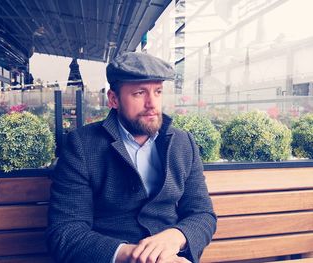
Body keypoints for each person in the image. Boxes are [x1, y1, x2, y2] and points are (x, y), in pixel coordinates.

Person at [46, 52, 217, 263]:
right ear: (113, 99)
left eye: (158, 91)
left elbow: (202, 214)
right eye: (139, 93)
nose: (152, 103)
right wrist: (138, 256)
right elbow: (65, 233)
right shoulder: (82, 145)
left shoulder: (183, 143)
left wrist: (175, 237)